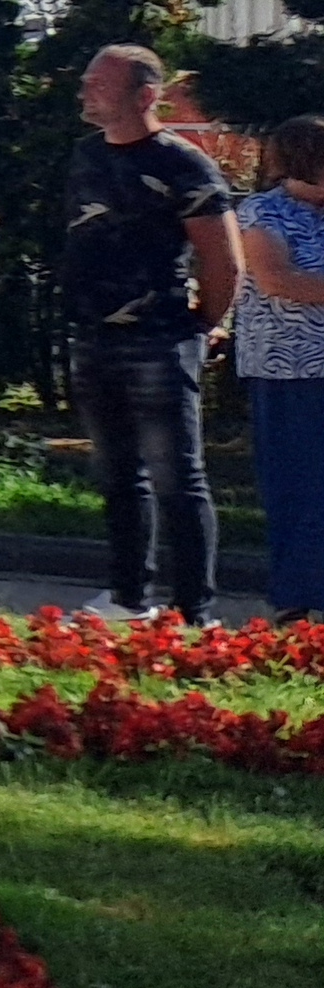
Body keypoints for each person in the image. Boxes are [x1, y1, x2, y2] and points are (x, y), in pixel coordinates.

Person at [62, 42, 238, 624]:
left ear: (145, 95)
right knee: (117, 474)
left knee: (177, 476)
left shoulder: (183, 163)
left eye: (99, 82)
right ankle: (128, 596)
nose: (85, 89)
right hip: (93, 335)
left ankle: (195, 611)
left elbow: (222, 258)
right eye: (86, 79)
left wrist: (202, 325)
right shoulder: (85, 156)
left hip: (160, 337)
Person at [233, 114, 324, 621]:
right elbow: (277, 279)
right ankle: (296, 598)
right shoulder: (262, 213)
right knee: (299, 483)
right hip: (289, 371)